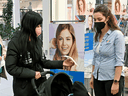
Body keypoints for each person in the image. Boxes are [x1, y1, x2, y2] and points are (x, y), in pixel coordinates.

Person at [5, 11, 74, 96]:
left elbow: (43, 62)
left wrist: (62, 63)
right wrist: (32, 74)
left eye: (40, 26)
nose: (40, 29)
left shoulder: (37, 41)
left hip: (40, 86)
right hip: (24, 89)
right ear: (29, 26)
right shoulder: (15, 43)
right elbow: (11, 67)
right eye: (37, 26)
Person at [89, 4, 125, 96]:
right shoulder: (97, 35)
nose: (97, 22)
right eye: (95, 19)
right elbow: (95, 58)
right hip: (98, 78)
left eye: (99, 19)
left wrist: (116, 82)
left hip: (111, 79)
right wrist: (92, 76)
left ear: (107, 18)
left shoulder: (117, 35)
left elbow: (119, 61)